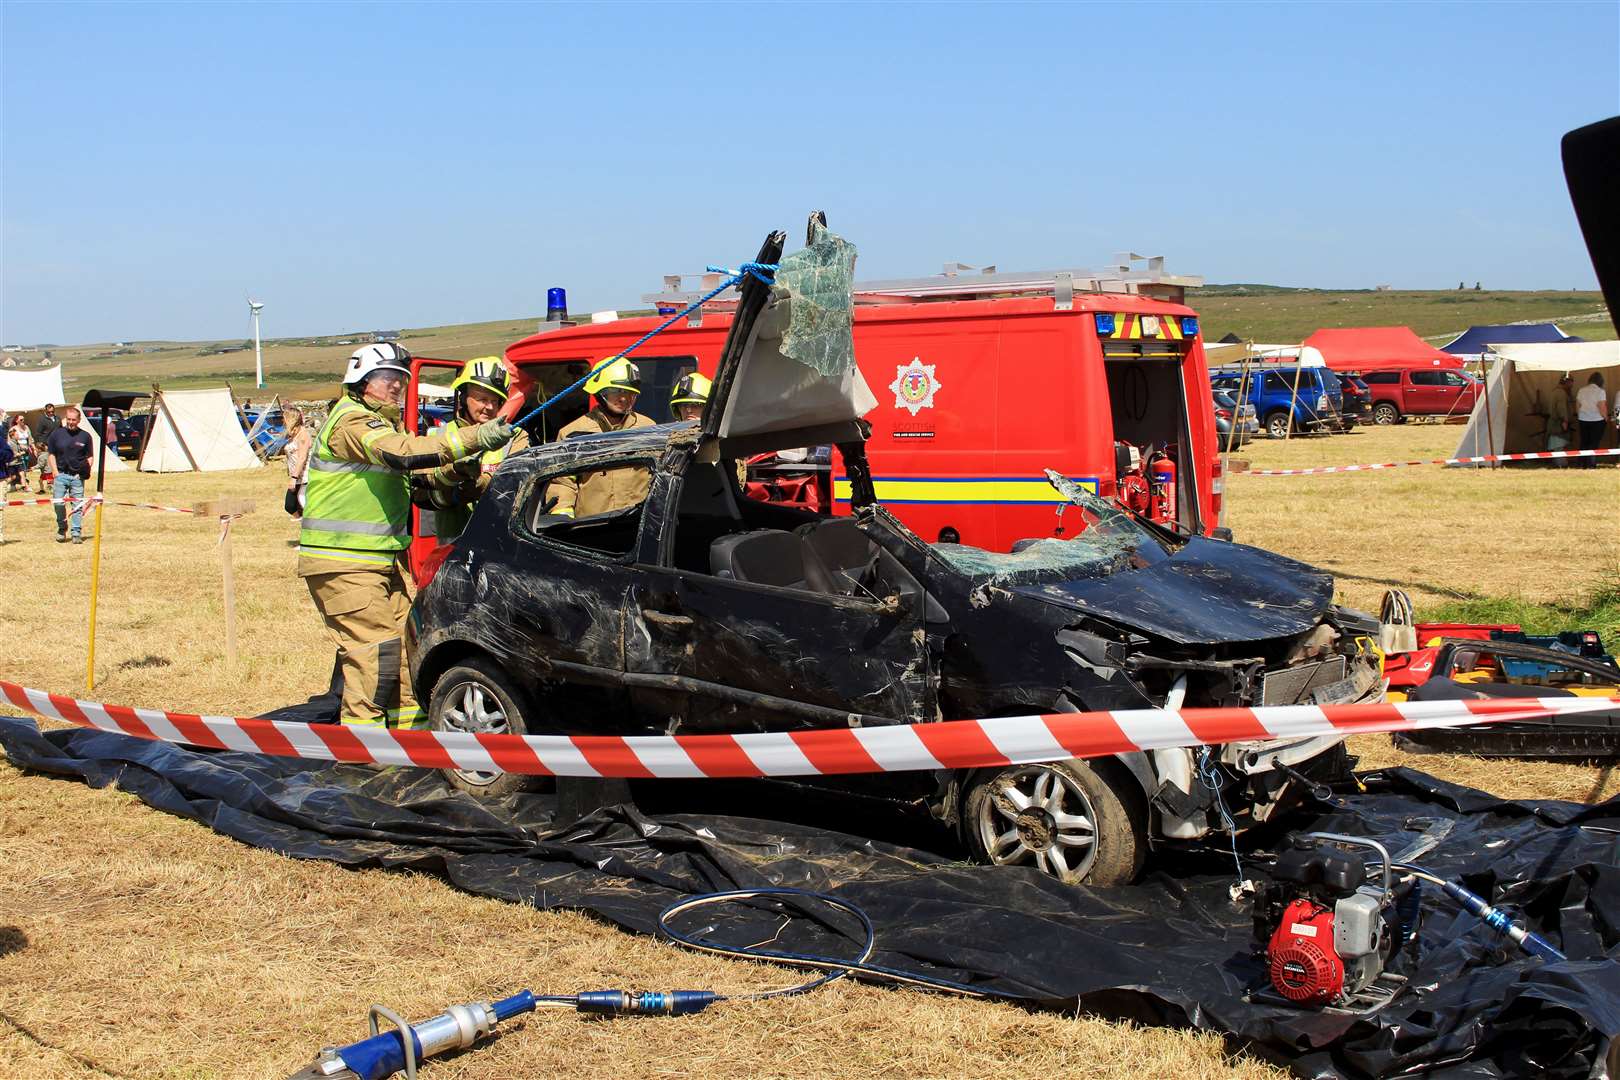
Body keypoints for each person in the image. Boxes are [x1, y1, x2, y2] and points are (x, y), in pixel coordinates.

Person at [300, 343, 518, 729]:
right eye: (388, 380)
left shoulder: (382, 425)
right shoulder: (352, 422)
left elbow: (421, 487)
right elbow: (404, 455)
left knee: (404, 647)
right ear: (362, 382)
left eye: (401, 380)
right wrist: (476, 439)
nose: (397, 387)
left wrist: (459, 475)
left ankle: (411, 740)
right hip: (344, 561)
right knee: (375, 652)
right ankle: (362, 751)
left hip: (377, 562)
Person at [419, 357, 531, 541]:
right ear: (463, 397)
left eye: (495, 401)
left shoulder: (515, 436)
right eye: (482, 399)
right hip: (453, 548)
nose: (489, 407)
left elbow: (514, 485)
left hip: (499, 543)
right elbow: (423, 494)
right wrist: (454, 475)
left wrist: (478, 483)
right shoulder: (437, 437)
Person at [549, 357, 657, 519]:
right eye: (617, 391)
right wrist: (562, 518)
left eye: (630, 393)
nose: (624, 398)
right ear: (600, 392)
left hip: (637, 524)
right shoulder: (573, 434)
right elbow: (563, 483)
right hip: (591, 529)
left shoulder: (649, 428)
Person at [44, 405, 94, 543]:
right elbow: (51, 454)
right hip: (60, 475)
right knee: (59, 504)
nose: (71, 422)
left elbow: (90, 456)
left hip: (77, 477)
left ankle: (76, 532)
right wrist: (55, 472)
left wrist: (84, 472)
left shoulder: (85, 436)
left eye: (74, 420)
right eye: (69, 419)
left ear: (79, 420)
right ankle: (62, 527)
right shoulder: (56, 434)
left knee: (77, 506)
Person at [1575, 371, 1609, 468]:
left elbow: (1577, 405)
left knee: (1584, 442)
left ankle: (1581, 463)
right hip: (1597, 420)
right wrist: (1606, 417)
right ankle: (1591, 464)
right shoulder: (1600, 391)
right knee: (1594, 442)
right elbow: (1601, 406)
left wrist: (1580, 415)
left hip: (1583, 419)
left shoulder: (1581, 390)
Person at [282, 407, 312, 517]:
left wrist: (294, 478)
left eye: (284, 418)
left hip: (304, 477)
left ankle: (308, 526)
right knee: (291, 506)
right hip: (297, 477)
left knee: (298, 504)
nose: (283, 421)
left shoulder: (303, 435)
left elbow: (302, 458)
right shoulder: (294, 435)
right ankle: (304, 524)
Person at [1546, 374, 1574, 461]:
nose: (1572, 386)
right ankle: (1561, 464)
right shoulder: (1561, 393)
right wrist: (1564, 421)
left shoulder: (1555, 391)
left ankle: (1560, 463)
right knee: (1559, 446)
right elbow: (1561, 408)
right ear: (1567, 382)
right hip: (1558, 424)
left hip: (1556, 422)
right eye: (1571, 383)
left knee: (1558, 446)